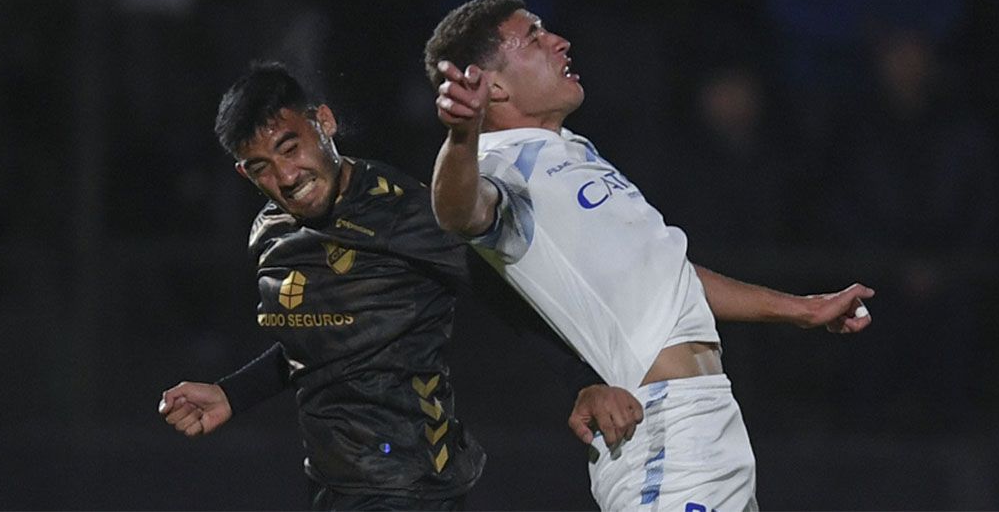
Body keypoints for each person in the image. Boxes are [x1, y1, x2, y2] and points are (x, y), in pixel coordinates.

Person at [427, 0, 875, 510]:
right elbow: (459, 212)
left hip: (711, 420)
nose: (559, 41)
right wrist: (461, 137)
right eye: (533, 36)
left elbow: (673, 276)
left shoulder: (573, 150)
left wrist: (802, 309)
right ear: (494, 85)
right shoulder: (499, 166)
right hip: (663, 430)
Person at [157, 61, 643, 510]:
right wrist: (233, 394)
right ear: (245, 173)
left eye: (290, 146)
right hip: (332, 487)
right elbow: (325, 341)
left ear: (324, 122)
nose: (286, 175)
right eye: (262, 166)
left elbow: (511, 298)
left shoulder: (405, 213)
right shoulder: (271, 231)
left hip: (411, 487)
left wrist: (586, 380)